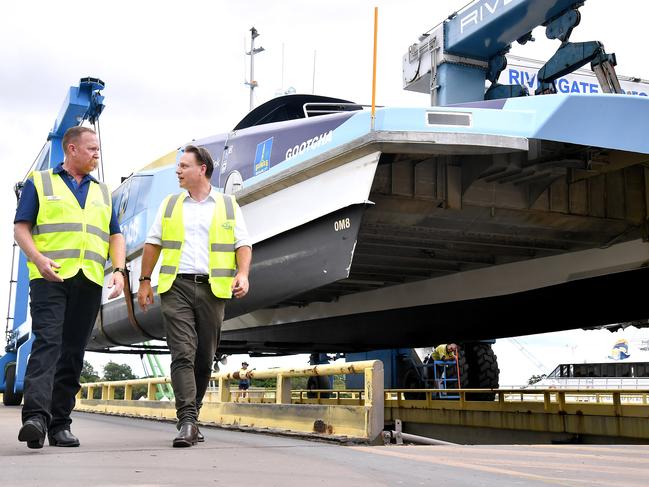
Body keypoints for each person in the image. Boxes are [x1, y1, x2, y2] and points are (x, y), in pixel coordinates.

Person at [14, 126, 125, 449]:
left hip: (88, 279)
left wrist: (118, 270)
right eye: (91, 149)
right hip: (50, 277)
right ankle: (36, 417)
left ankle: (60, 423)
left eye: (98, 149)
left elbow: (114, 234)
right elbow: (21, 228)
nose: (96, 155)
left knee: (73, 352)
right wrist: (38, 258)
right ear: (72, 149)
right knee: (48, 342)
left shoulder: (103, 192)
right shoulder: (40, 182)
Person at [137, 145, 252, 448]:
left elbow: (243, 243)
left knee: (204, 359)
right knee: (182, 353)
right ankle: (186, 420)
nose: (178, 170)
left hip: (214, 289)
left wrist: (243, 274)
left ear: (202, 169)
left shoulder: (227, 205)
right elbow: (153, 243)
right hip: (175, 286)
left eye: (184, 166)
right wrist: (145, 281)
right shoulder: (170, 205)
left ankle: (193, 417)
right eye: (178, 166)